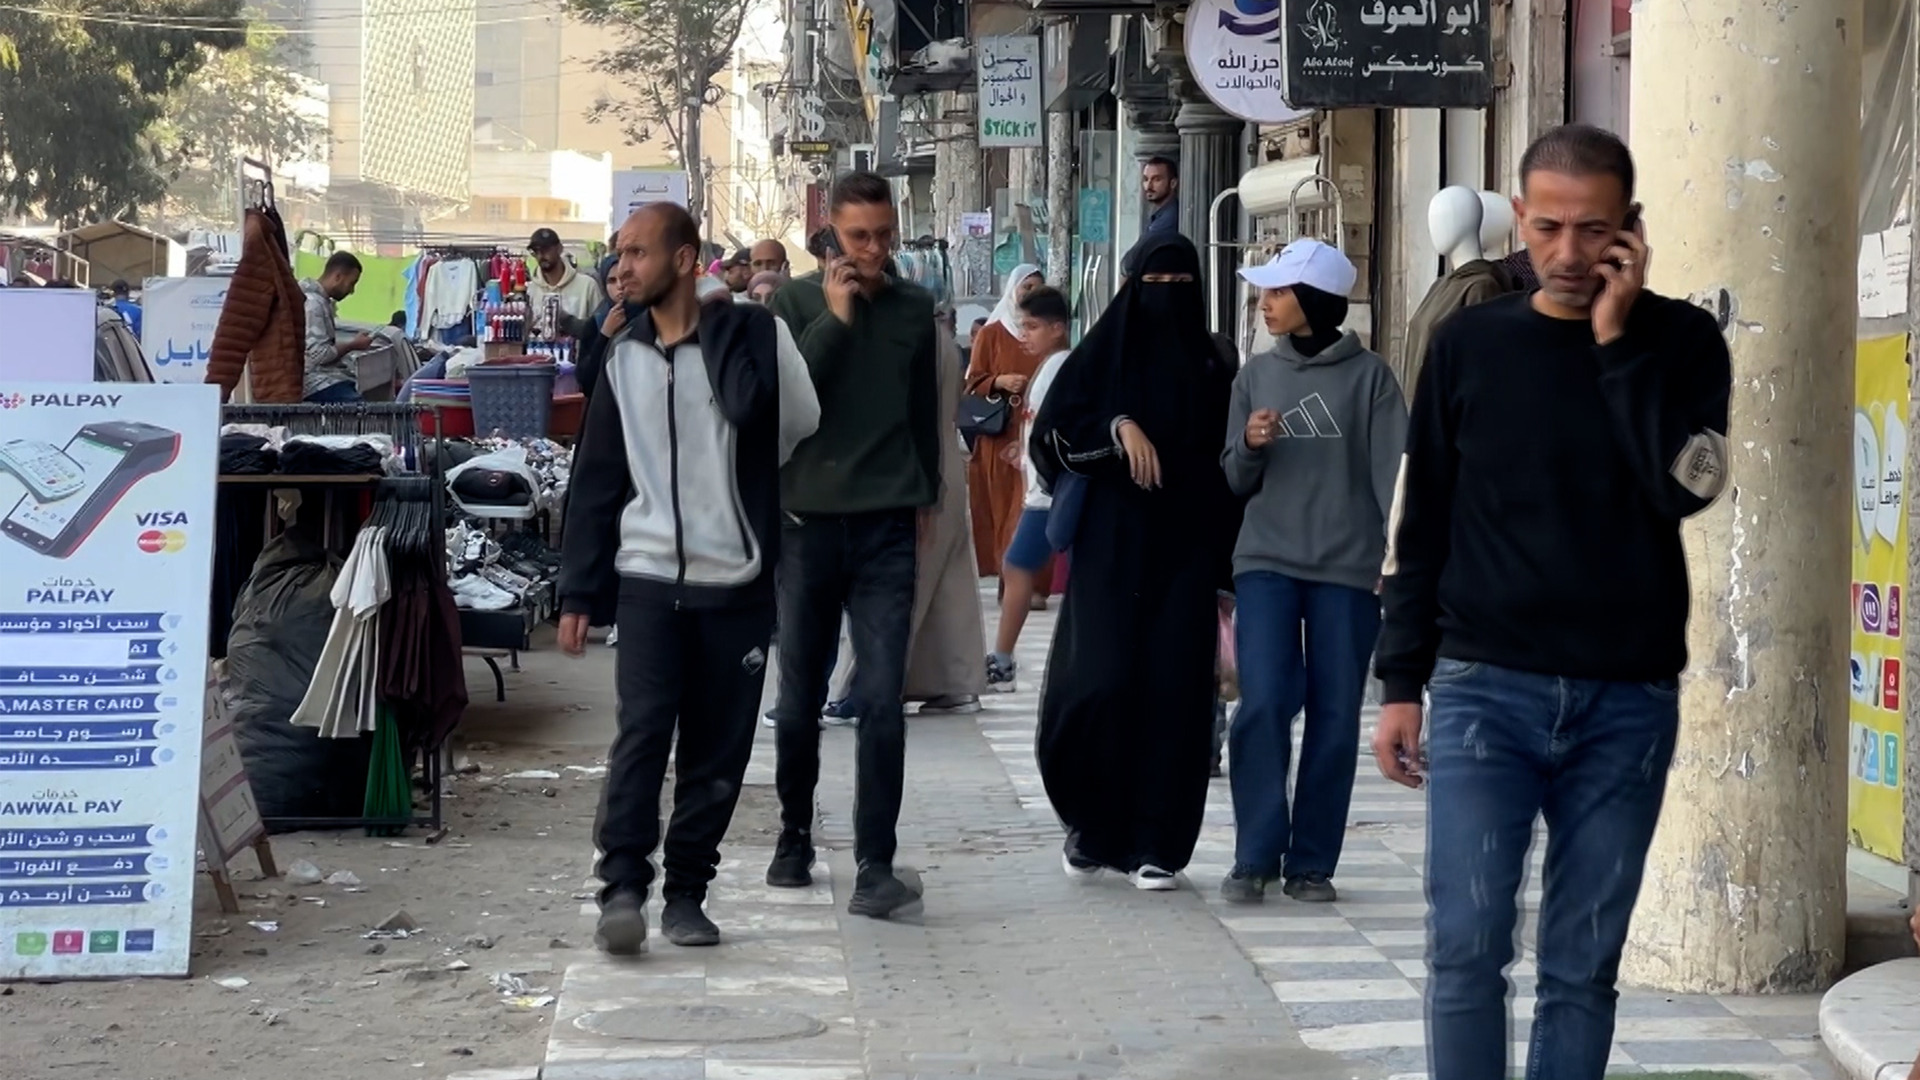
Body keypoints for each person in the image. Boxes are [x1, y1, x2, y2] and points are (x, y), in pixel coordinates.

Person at [1372, 124, 1731, 1080]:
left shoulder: (1683, 343)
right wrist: (1400, 682)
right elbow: (1423, 519)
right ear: (1520, 220)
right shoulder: (1468, 344)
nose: (1568, 253)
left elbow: (1687, 489)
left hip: (1627, 701)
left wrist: (1616, 346)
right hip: (1485, 690)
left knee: (1582, 966)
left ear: (1631, 230)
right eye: (1548, 228)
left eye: (1594, 230)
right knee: (1465, 948)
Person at [557, 202, 820, 956]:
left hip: (734, 579)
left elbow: (790, 419)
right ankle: (622, 889)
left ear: (683, 258)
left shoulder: (749, 335)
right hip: (645, 577)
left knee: (718, 749)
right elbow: (597, 478)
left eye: (637, 253)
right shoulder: (623, 357)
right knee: (642, 735)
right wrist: (579, 591)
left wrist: (722, 332)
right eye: (619, 254)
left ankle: (686, 894)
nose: (622, 268)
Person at [1028, 232, 1238, 891]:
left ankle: (1157, 843)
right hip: (1111, 549)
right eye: (1155, 285)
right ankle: (1091, 825)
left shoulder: (1214, 364)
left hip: (1187, 547)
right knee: (1099, 681)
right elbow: (1052, 438)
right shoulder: (1099, 359)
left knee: (1172, 693)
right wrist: (1117, 426)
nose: (1166, 299)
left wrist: (1228, 570)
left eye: (1181, 287)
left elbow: (1228, 465)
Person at [765, 170, 942, 920]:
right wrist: (835, 318)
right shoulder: (793, 304)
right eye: (858, 236)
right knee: (799, 695)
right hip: (807, 520)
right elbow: (787, 399)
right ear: (831, 234)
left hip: (886, 523)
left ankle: (876, 863)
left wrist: (927, 494)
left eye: (883, 235)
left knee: (880, 697)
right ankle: (793, 838)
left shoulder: (913, 307)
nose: (872, 250)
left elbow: (923, 411)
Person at [1216, 239, 1405, 905]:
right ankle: (1254, 853)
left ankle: (1312, 863)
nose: (1263, 303)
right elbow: (1233, 478)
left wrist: (1396, 563)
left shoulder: (1372, 379)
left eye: (1278, 291)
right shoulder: (1254, 376)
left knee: (1334, 713)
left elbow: (1395, 479)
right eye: (1264, 291)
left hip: (1348, 571)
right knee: (1264, 701)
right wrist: (1249, 445)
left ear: (1316, 300)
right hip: (1266, 561)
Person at [985, 286, 1073, 691]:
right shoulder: (1050, 365)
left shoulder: (1060, 366)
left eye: (1033, 327)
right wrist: (1025, 453)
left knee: (1017, 566)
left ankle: (1002, 660)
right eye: (1023, 326)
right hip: (1044, 490)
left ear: (1058, 328)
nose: (1025, 335)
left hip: (1050, 495)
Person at [963, 265, 1051, 586]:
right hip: (999, 436)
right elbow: (972, 382)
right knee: (1003, 508)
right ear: (1013, 290)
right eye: (1026, 287)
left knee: (1033, 506)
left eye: (1037, 288)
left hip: (1035, 433)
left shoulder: (1047, 334)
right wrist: (1000, 381)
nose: (1031, 294)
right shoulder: (992, 334)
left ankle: (1032, 582)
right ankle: (1010, 579)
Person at [300, 251, 375, 403]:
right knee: (361, 412)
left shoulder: (321, 302)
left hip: (326, 380)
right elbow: (319, 355)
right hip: (316, 383)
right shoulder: (313, 304)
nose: (352, 291)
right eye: (351, 283)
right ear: (338, 277)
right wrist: (353, 345)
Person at [528, 227, 606, 336]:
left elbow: (600, 328)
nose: (541, 255)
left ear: (559, 249)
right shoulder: (531, 290)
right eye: (536, 251)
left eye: (546, 249)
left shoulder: (587, 286)